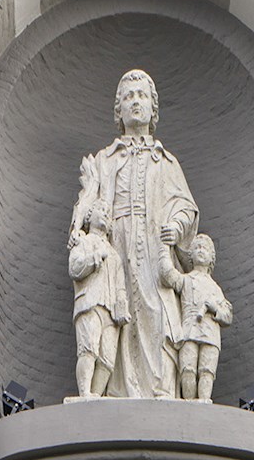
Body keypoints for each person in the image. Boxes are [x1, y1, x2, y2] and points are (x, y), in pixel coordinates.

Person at [68, 69, 198, 400]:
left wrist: (176, 226)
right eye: (128, 97)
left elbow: (186, 206)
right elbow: (88, 200)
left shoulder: (165, 162)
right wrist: (80, 230)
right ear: (119, 110)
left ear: (153, 109)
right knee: (117, 315)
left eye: (142, 96)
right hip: (115, 245)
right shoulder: (105, 159)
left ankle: (160, 387)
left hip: (156, 246)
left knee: (158, 312)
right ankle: (115, 390)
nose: (135, 102)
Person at [69, 212, 129, 399]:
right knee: (88, 349)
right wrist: (95, 257)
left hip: (110, 312)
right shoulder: (83, 242)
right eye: (100, 210)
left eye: (107, 213)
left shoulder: (114, 255)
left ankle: (95, 395)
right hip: (90, 303)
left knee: (107, 359)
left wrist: (121, 307)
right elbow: (74, 268)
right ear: (89, 218)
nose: (105, 214)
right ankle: (85, 393)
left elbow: (120, 286)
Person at [171, 232, 231, 403]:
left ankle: (204, 400)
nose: (200, 251)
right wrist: (164, 248)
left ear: (212, 257)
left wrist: (214, 308)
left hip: (210, 333)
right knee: (188, 367)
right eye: (197, 247)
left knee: (207, 369)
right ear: (190, 254)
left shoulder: (215, 288)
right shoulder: (186, 280)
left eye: (205, 248)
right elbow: (169, 276)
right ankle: (189, 401)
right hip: (189, 330)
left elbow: (227, 316)